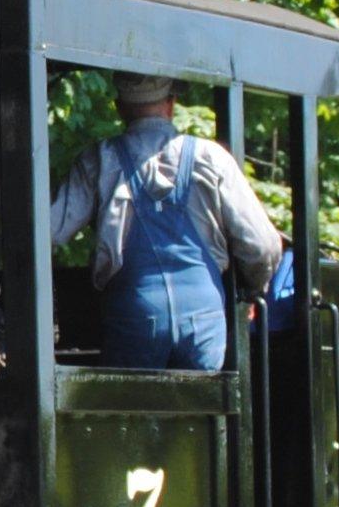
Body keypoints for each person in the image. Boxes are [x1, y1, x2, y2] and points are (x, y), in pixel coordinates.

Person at [47, 73, 288, 370]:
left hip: (133, 311)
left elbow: (50, 231)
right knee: (203, 411)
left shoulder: (99, 159)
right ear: (171, 104)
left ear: (119, 107)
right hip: (203, 317)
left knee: (131, 413)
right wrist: (253, 289)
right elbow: (263, 246)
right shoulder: (212, 157)